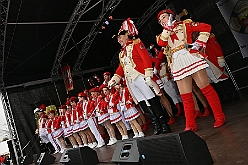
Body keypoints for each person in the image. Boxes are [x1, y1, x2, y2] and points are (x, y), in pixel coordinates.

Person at [156, 9, 226, 131]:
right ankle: (190, 125)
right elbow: (162, 43)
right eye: (160, 19)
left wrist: (200, 42)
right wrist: (168, 28)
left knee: (206, 89)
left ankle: (220, 116)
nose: (162, 20)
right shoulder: (161, 35)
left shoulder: (184, 24)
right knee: (185, 96)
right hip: (177, 63)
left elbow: (206, 27)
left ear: (171, 16)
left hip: (190, 57)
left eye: (164, 17)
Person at [108, 18, 171, 135]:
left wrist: (148, 74)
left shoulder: (136, 43)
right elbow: (121, 68)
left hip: (141, 76)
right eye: (118, 38)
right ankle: (157, 125)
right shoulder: (122, 53)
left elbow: (146, 58)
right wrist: (115, 78)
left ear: (127, 35)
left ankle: (164, 125)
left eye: (120, 37)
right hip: (131, 81)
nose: (119, 40)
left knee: (153, 100)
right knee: (143, 103)